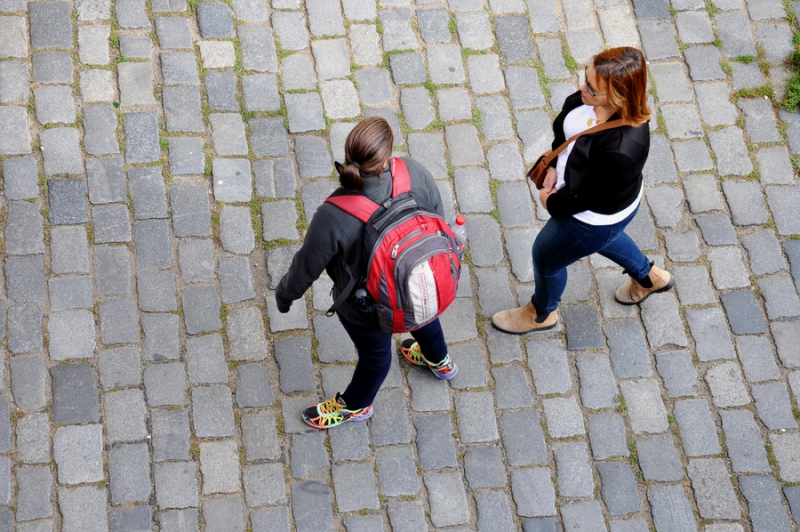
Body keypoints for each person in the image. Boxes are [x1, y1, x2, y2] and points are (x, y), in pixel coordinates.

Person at [275, 116, 457, 429]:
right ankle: (440, 362)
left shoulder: (333, 214)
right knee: (423, 316)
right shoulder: (414, 171)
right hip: (424, 282)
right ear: (389, 156)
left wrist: (285, 296)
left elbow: (307, 265)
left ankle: (356, 406)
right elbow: (437, 218)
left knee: (375, 355)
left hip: (368, 307)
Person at [492, 46, 673, 334]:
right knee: (605, 239)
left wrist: (550, 202)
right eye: (585, 79)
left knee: (546, 257)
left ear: (617, 96)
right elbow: (562, 130)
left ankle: (541, 313)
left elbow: (585, 197)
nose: (581, 88)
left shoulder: (622, 151)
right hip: (597, 207)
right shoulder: (586, 98)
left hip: (593, 215)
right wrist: (552, 165)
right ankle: (649, 277)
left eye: (591, 88)